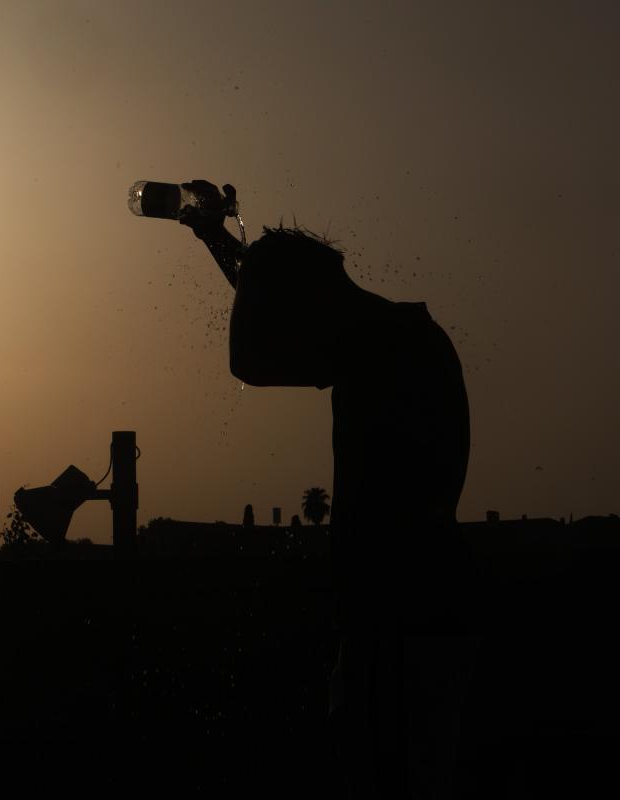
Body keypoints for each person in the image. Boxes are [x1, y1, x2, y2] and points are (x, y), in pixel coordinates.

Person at [177, 180, 477, 798]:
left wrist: (237, 254)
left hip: (398, 629)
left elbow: (251, 359)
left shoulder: (380, 346)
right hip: (411, 618)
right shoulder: (392, 335)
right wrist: (218, 239)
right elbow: (287, 322)